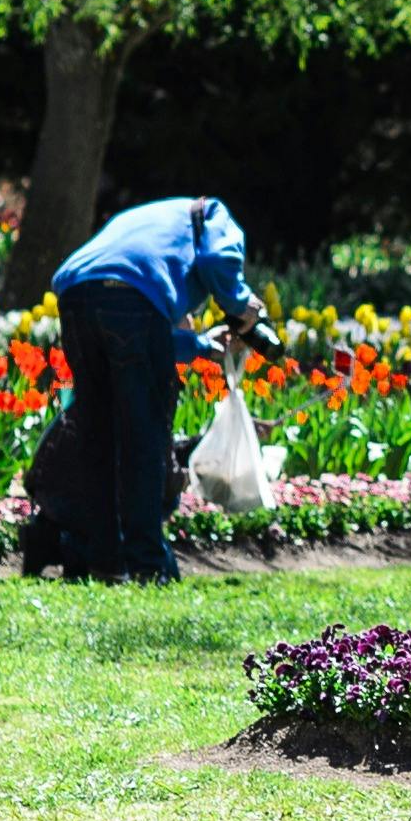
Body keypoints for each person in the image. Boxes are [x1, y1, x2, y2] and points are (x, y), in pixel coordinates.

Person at [35, 196, 280, 582]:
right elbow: (216, 262)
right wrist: (241, 307)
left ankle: (103, 561)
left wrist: (199, 345)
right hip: (130, 296)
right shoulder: (212, 212)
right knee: (144, 439)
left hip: (75, 293)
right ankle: (148, 564)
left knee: (97, 435)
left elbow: (141, 332)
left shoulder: (152, 226)